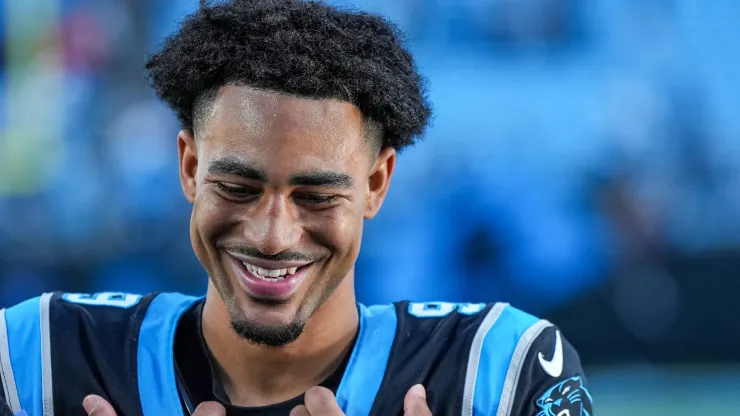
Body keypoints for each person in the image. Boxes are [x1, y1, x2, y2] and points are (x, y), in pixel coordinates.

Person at [0, 0, 593, 415]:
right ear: (189, 168)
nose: (274, 234)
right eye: (237, 187)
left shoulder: (501, 371)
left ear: (376, 183)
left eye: (315, 196)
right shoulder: (33, 358)